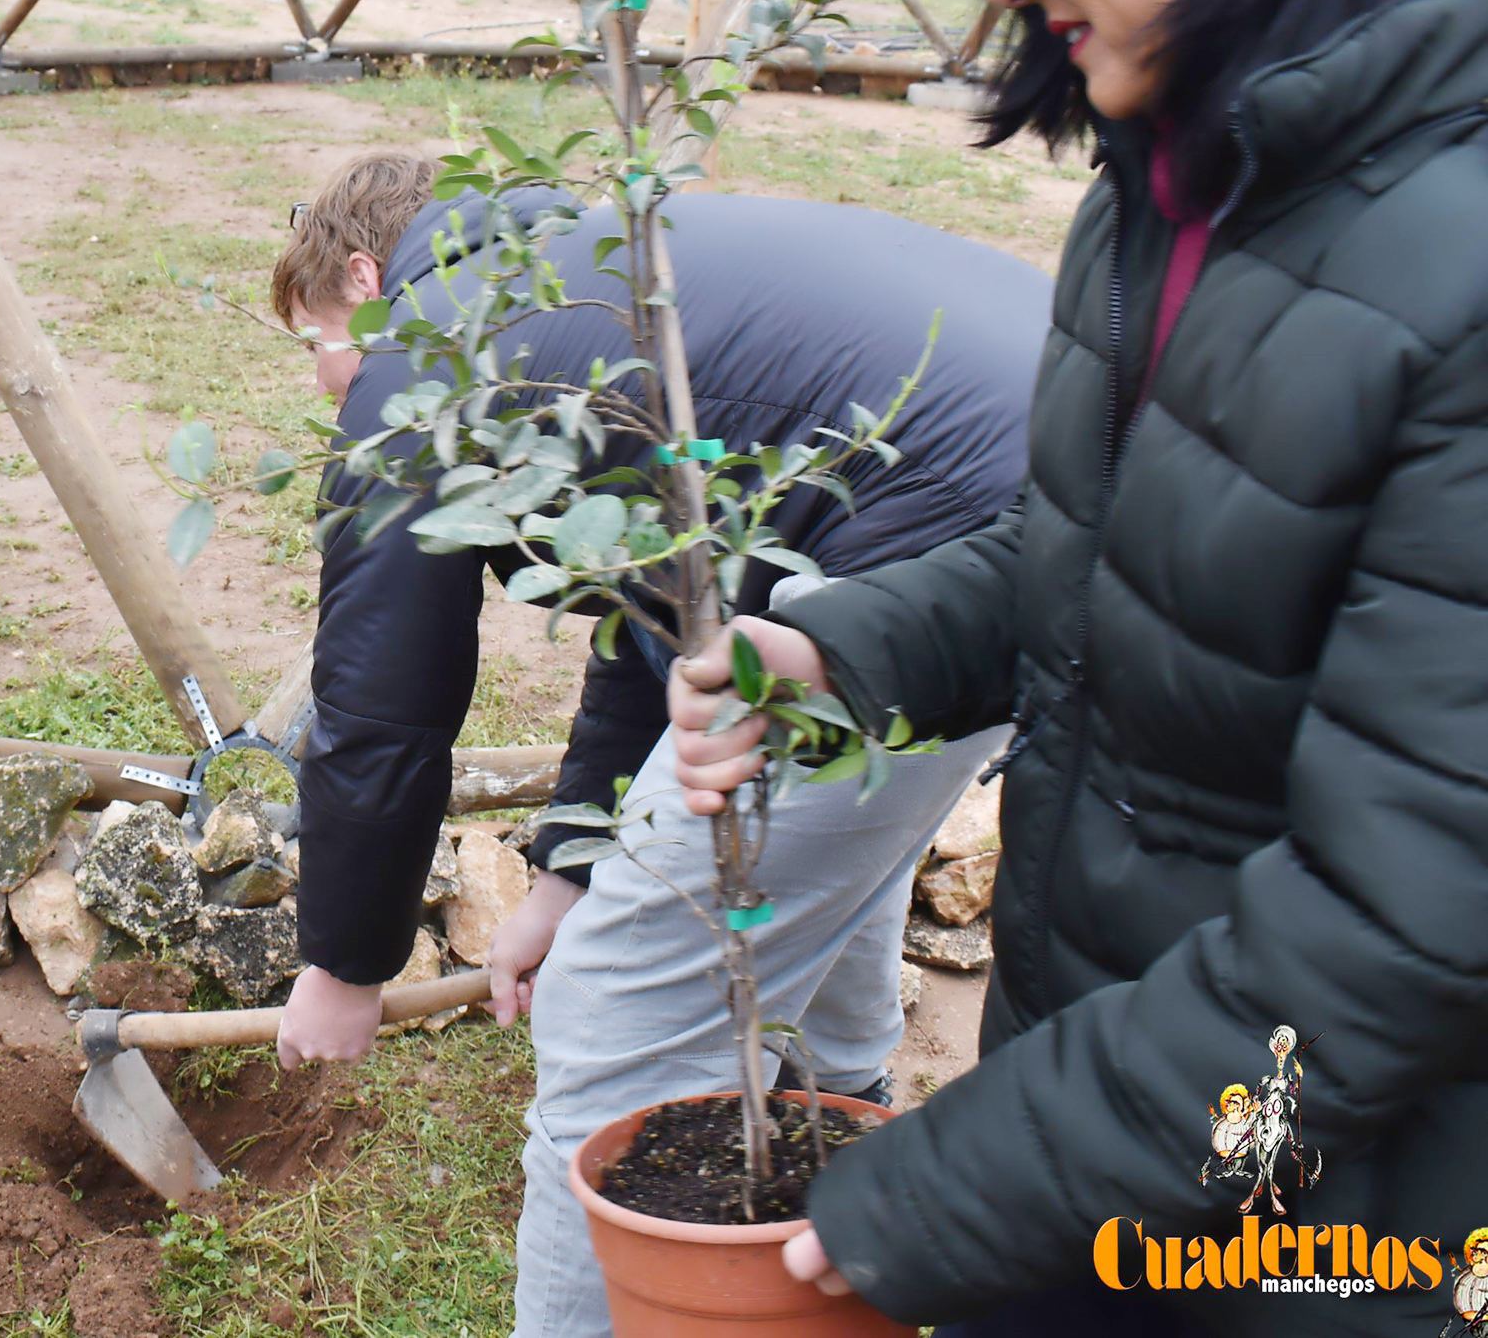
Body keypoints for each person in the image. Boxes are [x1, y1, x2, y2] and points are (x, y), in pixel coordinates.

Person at [666, 0, 1488, 1333]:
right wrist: (840, 648)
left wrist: (964, 1186)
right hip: (1117, 1140)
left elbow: (1402, 924)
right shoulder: (1167, 197)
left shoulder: (1451, 272)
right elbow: (1117, 555)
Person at [265, 152, 1051, 1333]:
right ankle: (837, 1120)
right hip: (1062, 513)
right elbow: (674, 614)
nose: (332, 385)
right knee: (826, 832)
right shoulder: (604, 278)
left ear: (368, 278)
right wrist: (571, 865)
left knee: (615, 1016)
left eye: (318, 341)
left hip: (938, 553)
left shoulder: (425, 352)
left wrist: (340, 968)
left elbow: (382, 706)